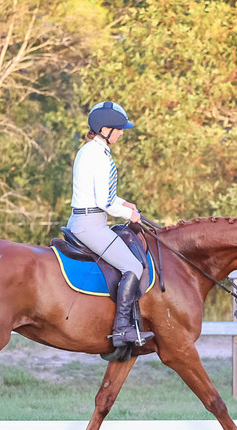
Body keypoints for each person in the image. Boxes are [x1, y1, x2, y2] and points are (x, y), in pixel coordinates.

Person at [68, 101, 154, 347]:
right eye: (118, 128)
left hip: (86, 218)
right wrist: (130, 216)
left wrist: (125, 203)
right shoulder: (99, 156)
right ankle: (121, 330)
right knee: (134, 267)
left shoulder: (91, 151)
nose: (121, 132)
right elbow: (104, 202)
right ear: (104, 129)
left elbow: (103, 196)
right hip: (90, 224)